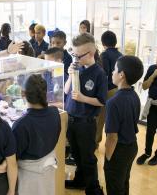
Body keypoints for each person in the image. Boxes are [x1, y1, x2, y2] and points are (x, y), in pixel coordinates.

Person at [64, 33, 107, 195]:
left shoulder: (99, 74)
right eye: (73, 54)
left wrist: (83, 98)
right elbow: (67, 90)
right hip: (71, 118)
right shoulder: (77, 67)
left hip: (86, 122)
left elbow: (101, 101)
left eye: (78, 56)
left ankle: (93, 188)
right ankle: (80, 180)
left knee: (88, 157)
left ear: (90, 54)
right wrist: (69, 75)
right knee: (76, 154)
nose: (75, 59)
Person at [12, 74, 61, 195]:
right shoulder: (55, 113)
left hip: (29, 176)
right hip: (49, 168)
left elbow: (13, 158)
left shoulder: (21, 125)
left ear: (23, 93)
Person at [104, 56, 144, 195]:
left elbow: (112, 137)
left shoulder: (113, 102)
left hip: (118, 150)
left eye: (114, 69)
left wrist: (108, 158)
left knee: (114, 186)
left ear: (121, 75)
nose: (112, 72)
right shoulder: (135, 95)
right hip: (132, 146)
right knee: (123, 182)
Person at [95, 31, 123, 149]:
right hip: (118, 89)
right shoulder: (120, 54)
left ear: (103, 42)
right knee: (113, 119)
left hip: (107, 90)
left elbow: (103, 73)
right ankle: (112, 142)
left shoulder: (104, 55)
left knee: (100, 118)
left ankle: (96, 142)